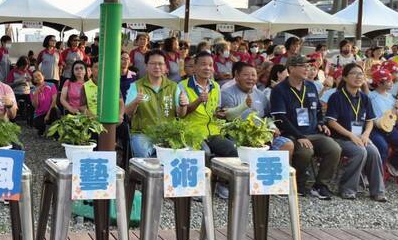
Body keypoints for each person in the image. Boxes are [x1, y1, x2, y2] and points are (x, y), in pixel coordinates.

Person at [270, 54, 340, 199]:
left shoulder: (311, 86)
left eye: (308, 66)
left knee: (334, 148)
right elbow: (280, 118)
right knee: (305, 151)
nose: (307, 69)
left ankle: (320, 185)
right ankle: (297, 182)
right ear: (292, 68)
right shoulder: (279, 90)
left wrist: (321, 123)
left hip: (312, 132)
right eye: (303, 66)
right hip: (290, 134)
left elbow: (318, 110)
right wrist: (299, 136)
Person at [179, 52, 238, 197]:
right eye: (203, 64)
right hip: (191, 130)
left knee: (231, 149)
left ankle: (222, 185)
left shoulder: (216, 86)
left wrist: (219, 113)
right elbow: (183, 113)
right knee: (203, 152)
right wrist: (198, 100)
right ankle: (198, 188)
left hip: (212, 130)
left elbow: (214, 109)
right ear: (195, 67)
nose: (207, 68)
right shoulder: (182, 86)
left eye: (210, 65)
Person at [325, 63, 386, 201]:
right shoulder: (337, 97)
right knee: (360, 151)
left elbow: (370, 120)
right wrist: (350, 135)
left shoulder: (365, 98)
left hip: (360, 137)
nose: (359, 76)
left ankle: (378, 191)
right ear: (345, 78)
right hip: (341, 138)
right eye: (354, 73)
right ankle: (347, 189)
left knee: (374, 151)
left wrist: (365, 135)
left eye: (361, 74)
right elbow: (331, 122)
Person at [220, 61, 294, 157]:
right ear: (237, 76)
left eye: (253, 75)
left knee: (287, 144)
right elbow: (229, 117)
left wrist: (272, 126)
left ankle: (271, 170)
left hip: (262, 134)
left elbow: (267, 116)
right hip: (240, 136)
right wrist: (244, 106)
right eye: (246, 75)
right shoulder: (227, 93)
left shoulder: (260, 94)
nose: (250, 78)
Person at [126, 49, 187, 158]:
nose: (157, 67)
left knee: (180, 154)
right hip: (143, 134)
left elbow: (181, 114)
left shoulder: (173, 86)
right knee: (143, 155)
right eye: (153, 63)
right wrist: (135, 102)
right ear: (146, 66)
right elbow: (128, 113)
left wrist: (183, 105)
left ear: (165, 67)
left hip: (168, 134)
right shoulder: (136, 86)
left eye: (160, 64)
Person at [30, 70, 58, 135]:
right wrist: (36, 93)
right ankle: (42, 129)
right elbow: (35, 106)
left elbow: (54, 101)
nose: (38, 78)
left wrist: (47, 115)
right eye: (35, 77)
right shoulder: (32, 91)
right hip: (39, 113)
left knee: (54, 111)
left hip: (51, 111)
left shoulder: (51, 85)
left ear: (43, 76)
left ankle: (56, 133)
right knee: (37, 124)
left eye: (39, 75)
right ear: (33, 80)